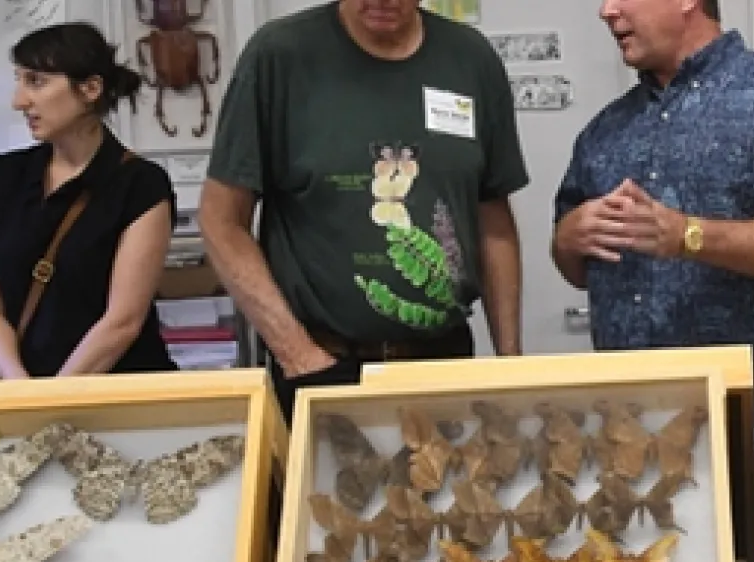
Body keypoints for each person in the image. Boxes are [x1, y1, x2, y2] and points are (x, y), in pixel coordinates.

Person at [202, 0, 529, 416]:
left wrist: (510, 364)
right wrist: (298, 355)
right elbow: (221, 221)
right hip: (321, 366)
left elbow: (493, 223)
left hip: (443, 363)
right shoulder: (279, 56)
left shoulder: (470, 59)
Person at [551, 0, 754, 353]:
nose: (606, 11)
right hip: (629, 386)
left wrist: (687, 236)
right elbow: (579, 272)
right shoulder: (604, 131)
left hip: (745, 384)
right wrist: (566, 242)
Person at [0, 22, 178, 379]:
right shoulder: (4, 177)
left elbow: (122, 322)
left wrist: (54, 398)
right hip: (23, 392)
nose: (19, 101)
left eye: (36, 81)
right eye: (19, 80)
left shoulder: (140, 185)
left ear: (90, 89)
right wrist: (20, 391)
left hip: (118, 391)